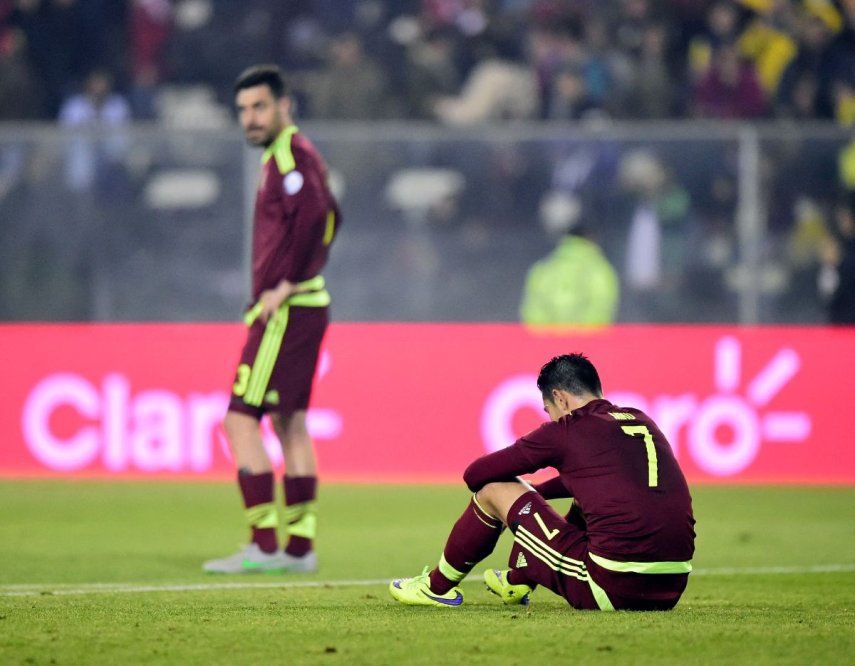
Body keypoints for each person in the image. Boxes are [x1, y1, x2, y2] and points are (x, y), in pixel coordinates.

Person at [389, 354, 695, 610]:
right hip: (672, 584)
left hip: (613, 585)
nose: (550, 416)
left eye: (548, 409)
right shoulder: (640, 420)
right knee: (587, 499)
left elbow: (476, 474)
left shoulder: (566, 430)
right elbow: (599, 482)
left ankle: (436, 588)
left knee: (492, 490)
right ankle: (517, 582)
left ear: (560, 398)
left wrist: (521, 497)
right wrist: (536, 495)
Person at [203, 65, 341, 574]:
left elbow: (315, 219)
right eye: (242, 110)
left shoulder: (290, 156)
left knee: (239, 420)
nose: (250, 118)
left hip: (287, 308)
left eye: (259, 107)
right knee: (290, 423)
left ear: (285, 105)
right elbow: (333, 217)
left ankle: (263, 544)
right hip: (308, 303)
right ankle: (300, 549)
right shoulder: (296, 156)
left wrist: (286, 283)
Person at [520, 192, 619, 326]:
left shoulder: (544, 268)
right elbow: (601, 308)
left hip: (548, 344)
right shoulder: (600, 269)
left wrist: (549, 337)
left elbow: (533, 310)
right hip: (586, 344)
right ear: (591, 237)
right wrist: (579, 337)